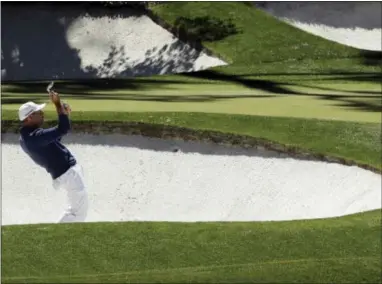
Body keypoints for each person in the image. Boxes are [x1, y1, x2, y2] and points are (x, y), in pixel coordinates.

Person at [18, 91, 88, 223]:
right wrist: (57, 104)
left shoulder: (28, 136)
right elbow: (62, 129)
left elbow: (56, 137)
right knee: (77, 214)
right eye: (39, 113)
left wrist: (65, 114)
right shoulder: (33, 137)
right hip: (68, 174)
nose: (42, 114)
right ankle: (54, 236)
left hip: (66, 174)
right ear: (29, 118)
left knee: (76, 212)